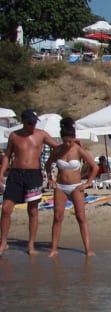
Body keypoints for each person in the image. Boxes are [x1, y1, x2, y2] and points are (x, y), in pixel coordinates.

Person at [0, 109, 60, 256]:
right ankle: (3, 242)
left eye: (34, 122)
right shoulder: (14, 136)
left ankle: (31, 244)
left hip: (34, 174)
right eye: (29, 122)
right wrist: (1, 173)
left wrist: (71, 146)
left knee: (32, 211)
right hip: (16, 174)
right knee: (6, 208)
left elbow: (58, 148)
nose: (32, 125)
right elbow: (7, 156)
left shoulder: (41, 134)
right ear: (23, 121)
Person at [44, 117, 98, 257]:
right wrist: (51, 179)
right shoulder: (57, 150)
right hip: (61, 186)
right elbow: (47, 164)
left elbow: (95, 167)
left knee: (81, 216)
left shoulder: (78, 150)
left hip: (76, 186)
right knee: (57, 217)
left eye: (70, 140)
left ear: (74, 138)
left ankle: (87, 249)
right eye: (65, 140)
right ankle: (53, 248)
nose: (68, 143)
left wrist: (87, 183)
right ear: (62, 138)